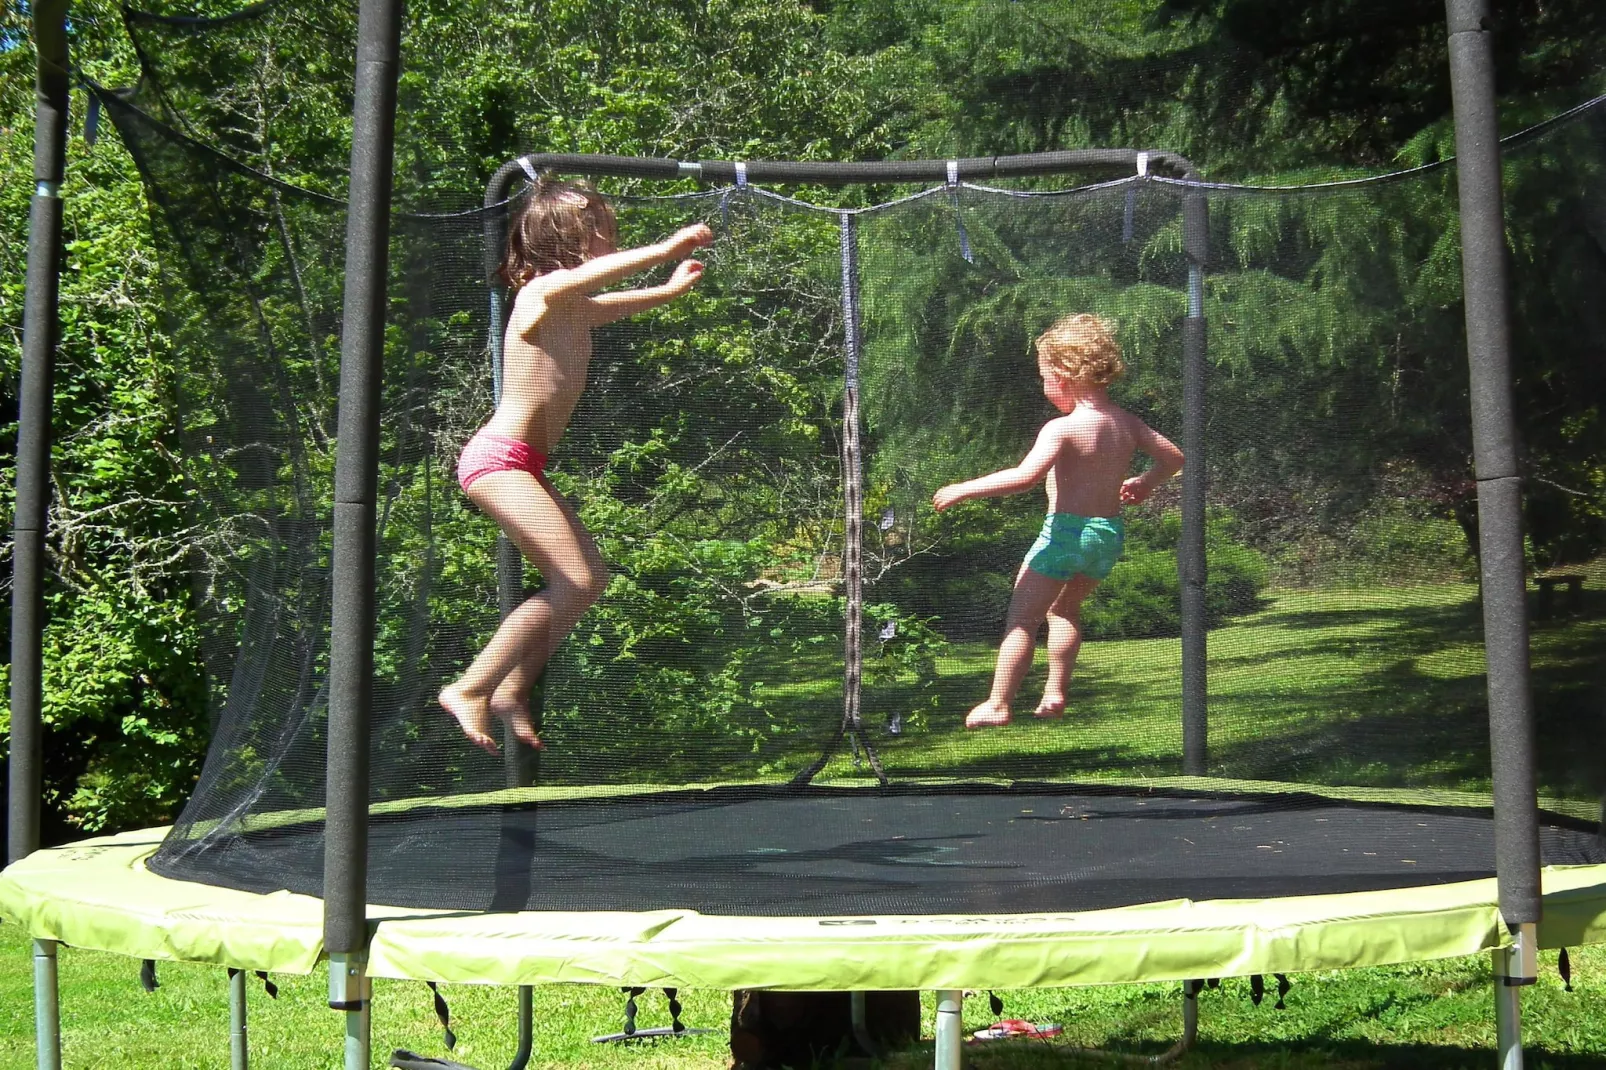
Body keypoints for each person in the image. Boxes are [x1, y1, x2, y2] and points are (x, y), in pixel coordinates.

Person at [440, 176, 714, 753]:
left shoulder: (572, 308)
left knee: (590, 581)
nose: (610, 239)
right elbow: (588, 281)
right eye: (601, 231)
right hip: (497, 461)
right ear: (566, 238)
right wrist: (665, 251)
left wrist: (665, 292)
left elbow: (607, 303)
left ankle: (511, 690)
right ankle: (469, 687)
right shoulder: (540, 293)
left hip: (523, 464)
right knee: (577, 579)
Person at [932, 313, 1183, 730]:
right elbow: (1174, 457)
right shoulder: (1126, 423)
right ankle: (1055, 691)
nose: (1045, 388)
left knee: (1022, 619)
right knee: (1064, 609)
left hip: (1063, 535)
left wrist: (965, 488)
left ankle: (998, 703)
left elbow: (1024, 477)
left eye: (1045, 378)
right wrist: (1146, 481)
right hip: (1106, 535)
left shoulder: (1063, 428)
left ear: (1063, 376)